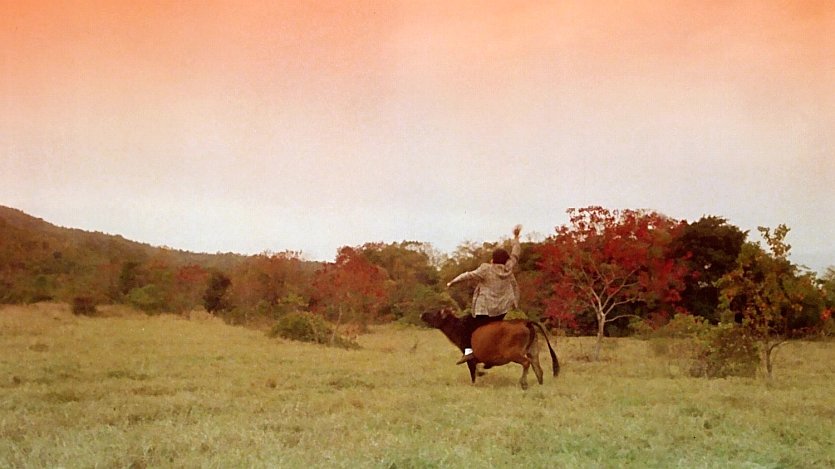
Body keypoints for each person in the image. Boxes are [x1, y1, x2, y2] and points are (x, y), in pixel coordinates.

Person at [446, 224, 522, 364]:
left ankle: (468, 352)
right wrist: (516, 237)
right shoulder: (509, 268)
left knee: (465, 324)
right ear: (506, 260)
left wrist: (452, 282)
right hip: (501, 311)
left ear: (493, 260)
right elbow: (515, 253)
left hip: (485, 311)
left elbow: (468, 275)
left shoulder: (486, 270)